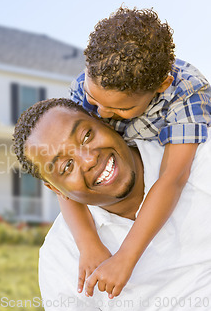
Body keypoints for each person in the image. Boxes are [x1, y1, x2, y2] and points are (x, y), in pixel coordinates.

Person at [64, 7, 211, 298]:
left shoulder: (188, 92)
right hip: (117, 174)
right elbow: (60, 171)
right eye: (94, 100)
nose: (101, 113)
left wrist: (125, 258)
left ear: (161, 86)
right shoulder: (84, 87)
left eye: (121, 109)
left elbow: (173, 177)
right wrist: (88, 242)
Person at [12, 98, 211, 310]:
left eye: (87, 136)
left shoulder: (199, 158)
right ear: (56, 190)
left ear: (105, 122)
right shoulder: (61, 257)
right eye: (67, 166)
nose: (88, 160)